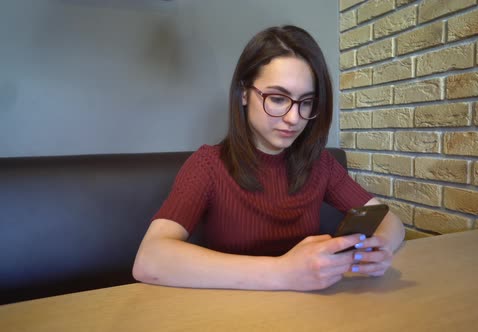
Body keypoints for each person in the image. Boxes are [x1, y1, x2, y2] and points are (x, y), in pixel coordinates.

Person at [132, 25, 405, 291]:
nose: (294, 118)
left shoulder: (319, 164)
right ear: (243, 94)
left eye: (306, 102)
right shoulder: (209, 165)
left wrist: (379, 247)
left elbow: (389, 220)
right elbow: (150, 259)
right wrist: (283, 273)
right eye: (277, 98)